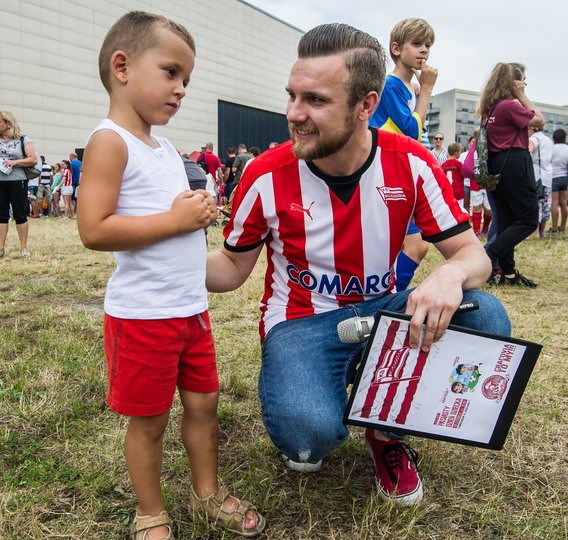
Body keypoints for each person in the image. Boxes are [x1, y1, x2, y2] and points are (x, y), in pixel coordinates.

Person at [206, 22, 511, 507]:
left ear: (366, 105)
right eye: (292, 96)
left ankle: (384, 429)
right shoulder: (264, 173)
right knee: (308, 441)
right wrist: (161, 257)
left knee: (488, 316)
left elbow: (474, 255)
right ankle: (327, 400)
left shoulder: (411, 163)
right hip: (302, 323)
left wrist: (450, 275)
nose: (294, 114)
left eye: (315, 101)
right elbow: (230, 268)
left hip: (385, 314)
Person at [76, 11, 264, 540]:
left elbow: (165, 219)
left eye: (187, 80)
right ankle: (150, 511)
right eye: (171, 73)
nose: (181, 89)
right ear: (122, 66)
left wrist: (195, 210)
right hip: (144, 317)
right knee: (150, 420)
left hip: (190, 312)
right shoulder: (109, 140)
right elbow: (94, 227)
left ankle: (206, 494)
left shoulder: (163, 149)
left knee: (205, 406)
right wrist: (177, 219)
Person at [369, 17, 437, 291]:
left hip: (393, 168)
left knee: (406, 244)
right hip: (383, 169)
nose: (424, 50)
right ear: (396, 48)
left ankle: (387, 296)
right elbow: (411, 132)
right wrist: (428, 91)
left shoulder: (407, 88)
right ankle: (391, 298)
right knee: (416, 245)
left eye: (428, 45)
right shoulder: (392, 84)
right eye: (417, 44)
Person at [478, 62, 543, 286]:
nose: (524, 84)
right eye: (522, 80)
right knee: (527, 219)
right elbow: (539, 120)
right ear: (514, 83)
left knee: (505, 221)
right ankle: (488, 254)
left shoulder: (489, 108)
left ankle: (508, 273)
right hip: (514, 162)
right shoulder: (508, 106)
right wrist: (522, 95)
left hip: (495, 164)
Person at [0, 111, 36, 259]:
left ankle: (24, 247)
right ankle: (0, 248)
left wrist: (15, 162)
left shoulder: (23, 139)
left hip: (17, 180)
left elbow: (33, 159)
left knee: (20, 213)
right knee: (1, 214)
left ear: (8, 123)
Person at [528, 125, 553, 236]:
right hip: (547, 175)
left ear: (532, 128)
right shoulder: (548, 140)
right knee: (545, 204)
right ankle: (541, 231)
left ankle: (535, 232)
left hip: (536, 175)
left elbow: (528, 152)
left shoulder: (534, 139)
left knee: (534, 204)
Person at [549, 129, 568, 234]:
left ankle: (554, 228)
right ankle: (562, 226)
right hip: (564, 177)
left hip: (554, 177)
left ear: (554, 137)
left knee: (554, 204)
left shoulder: (552, 148)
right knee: (563, 203)